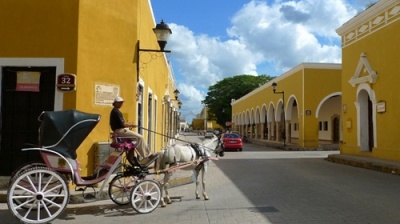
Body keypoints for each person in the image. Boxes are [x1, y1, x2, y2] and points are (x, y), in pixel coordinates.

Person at [109, 97, 157, 165]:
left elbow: (122, 123)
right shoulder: (116, 112)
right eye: (120, 102)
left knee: (136, 139)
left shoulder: (115, 111)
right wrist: (131, 124)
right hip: (120, 131)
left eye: (122, 102)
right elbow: (123, 124)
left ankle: (142, 155)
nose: (121, 104)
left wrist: (130, 124)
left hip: (120, 130)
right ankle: (147, 156)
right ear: (115, 103)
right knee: (140, 137)